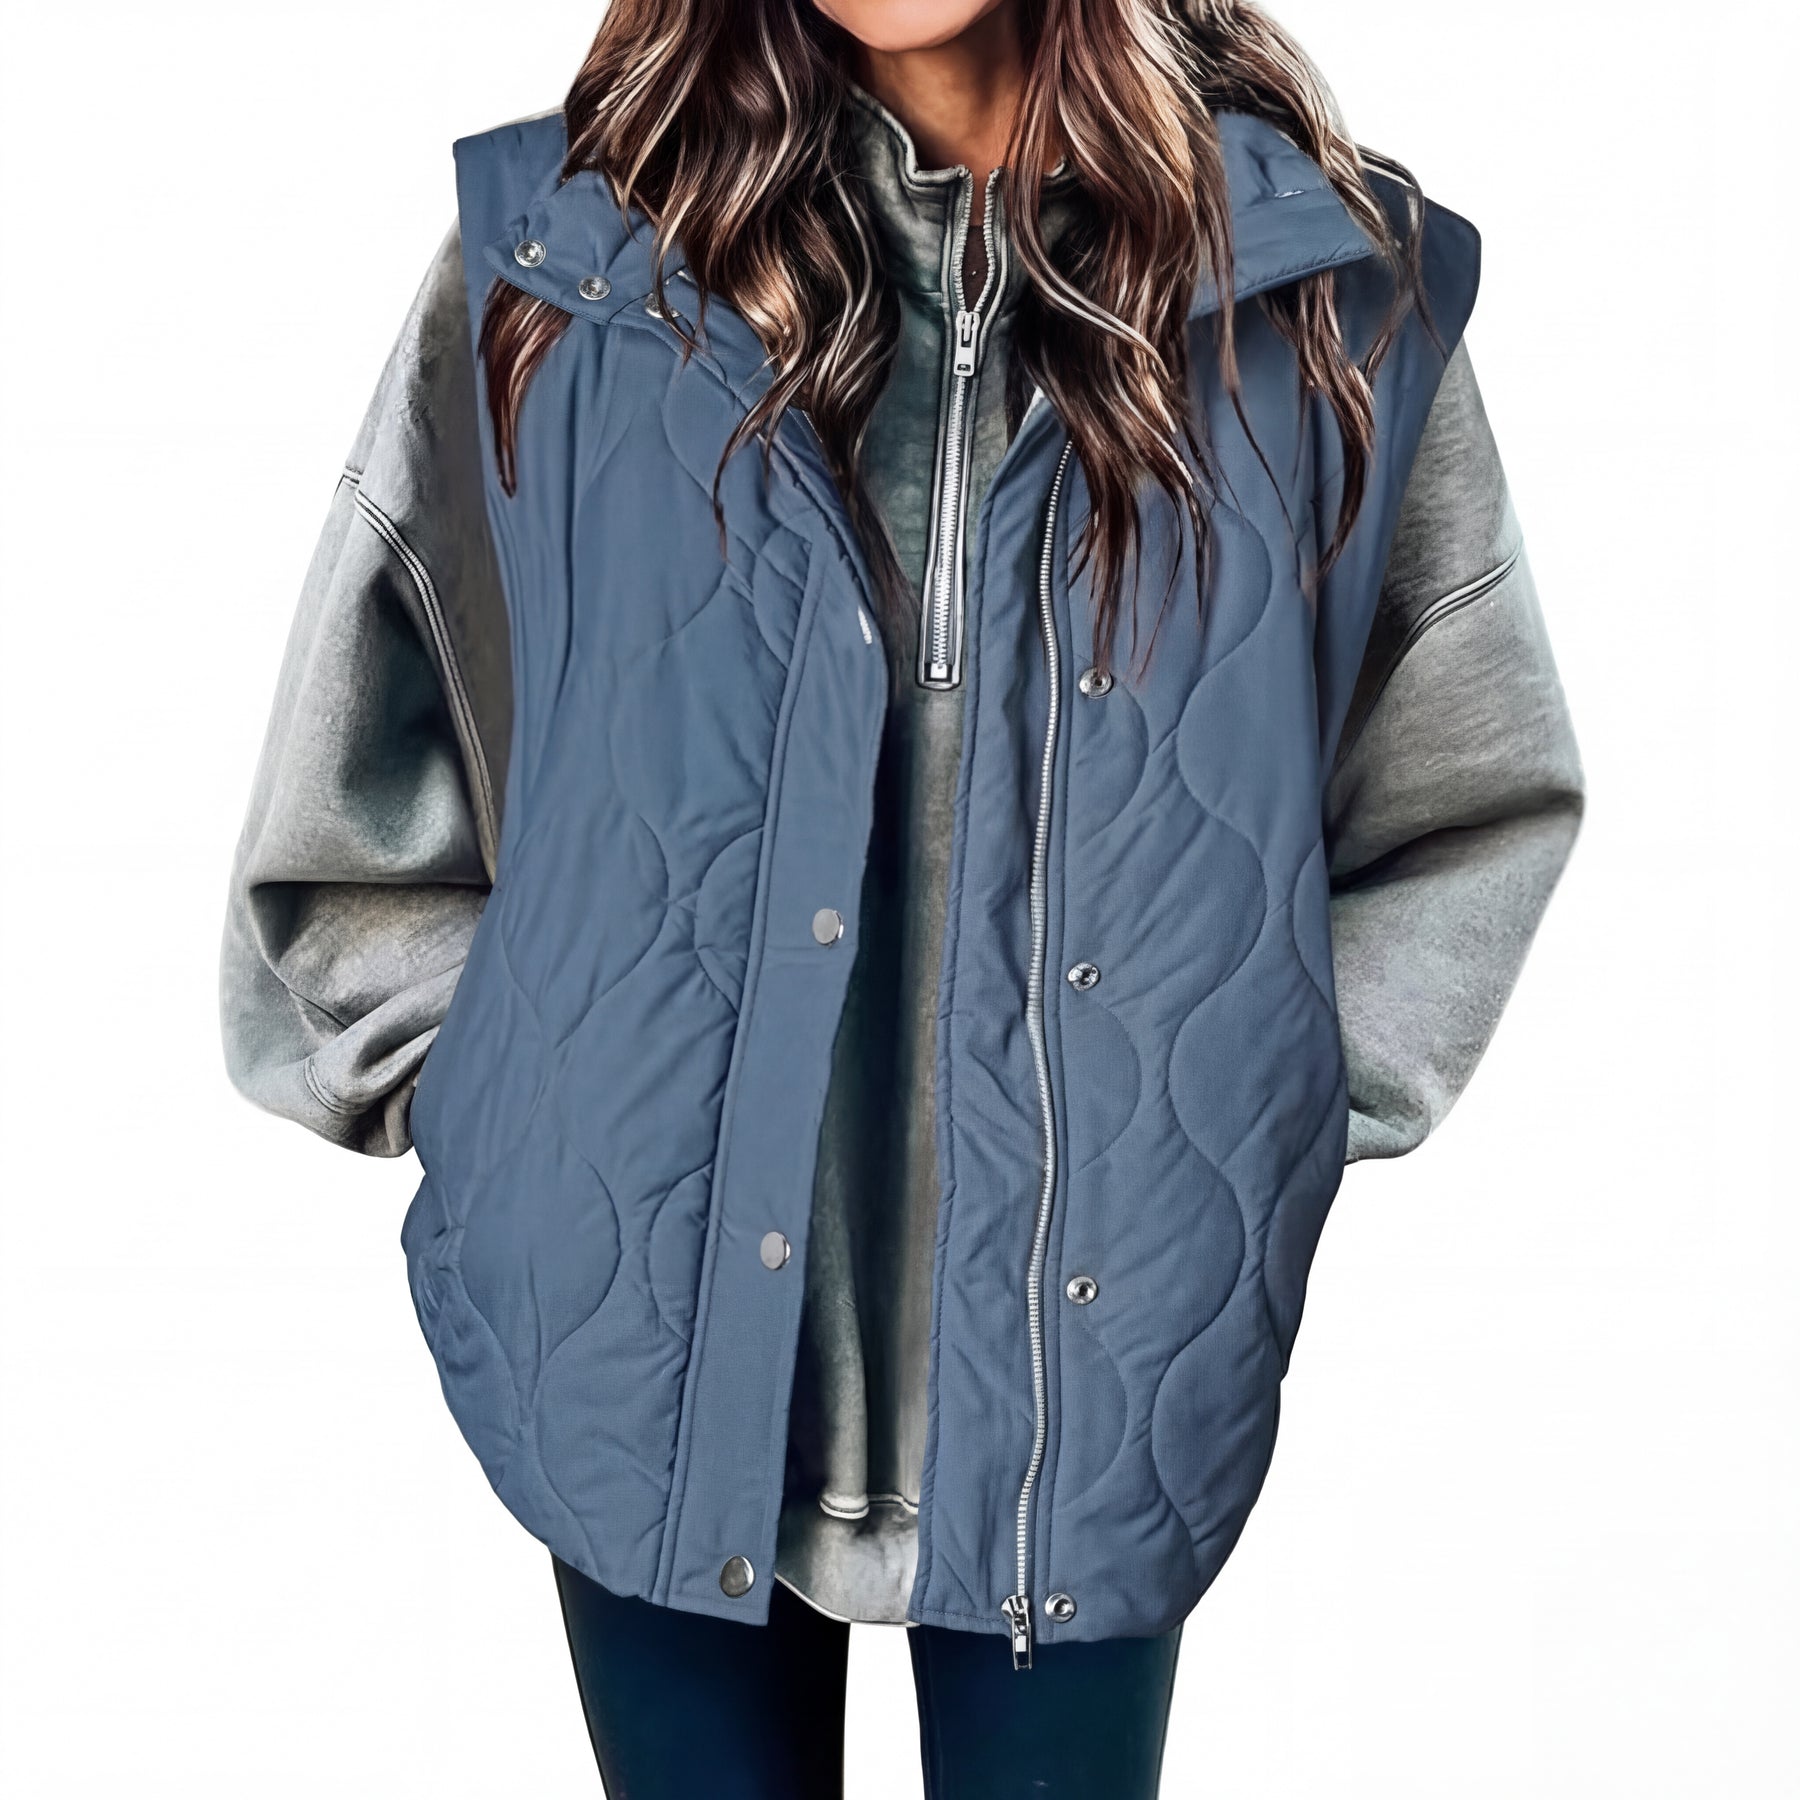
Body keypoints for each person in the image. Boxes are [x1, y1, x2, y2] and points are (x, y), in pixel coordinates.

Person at [220, 1, 1583, 1792]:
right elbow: (361, 778)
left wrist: (1252, 1123)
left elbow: (1464, 792)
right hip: (634, 1338)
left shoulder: (1318, 298)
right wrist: (506, 1115)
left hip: (1103, 1364)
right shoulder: (563, 267)